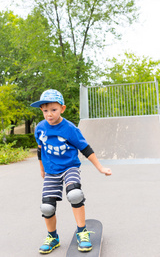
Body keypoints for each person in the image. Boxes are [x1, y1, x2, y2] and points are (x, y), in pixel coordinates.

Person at [31, 89, 112, 254]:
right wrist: (42, 169)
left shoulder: (69, 128)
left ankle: (82, 232)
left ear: (62, 108)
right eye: (45, 110)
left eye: (53, 110)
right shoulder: (40, 128)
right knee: (47, 207)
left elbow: (85, 148)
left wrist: (100, 167)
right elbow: (40, 150)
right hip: (51, 171)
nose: (49, 114)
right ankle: (53, 237)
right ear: (41, 110)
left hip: (70, 167)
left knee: (74, 194)